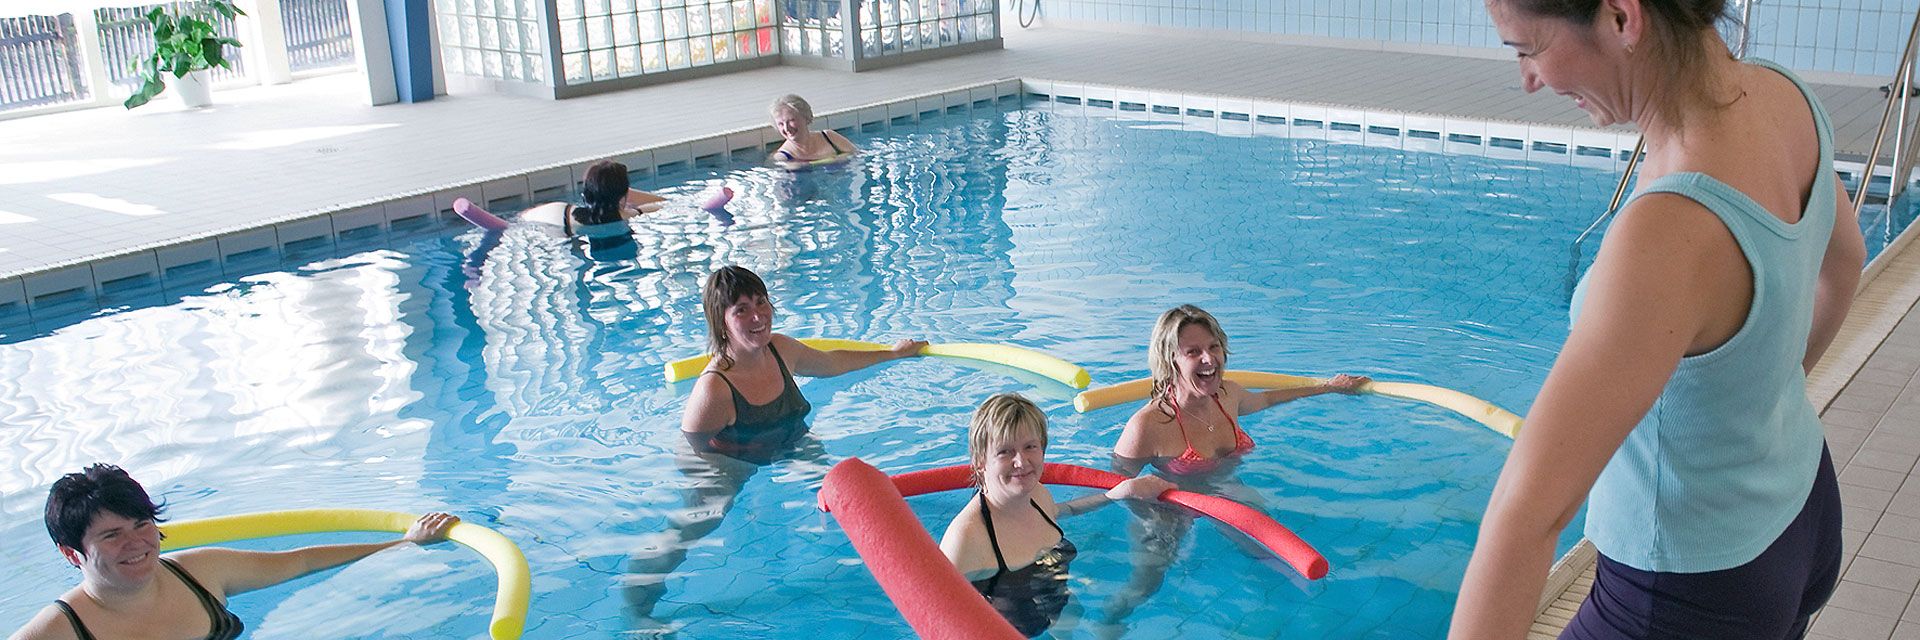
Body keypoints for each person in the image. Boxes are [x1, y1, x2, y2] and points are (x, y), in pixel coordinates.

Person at [1451, 1, 1864, 638]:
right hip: (1800, 513)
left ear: (1621, 17)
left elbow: (1526, 516)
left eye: (1526, 48)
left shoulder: (1667, 232)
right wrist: (1760, 392)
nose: (1528, 78)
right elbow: (1844, 264)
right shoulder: (1784, 96)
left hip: (1687, 591)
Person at [624, 265, 927, 626]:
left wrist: (892, 354)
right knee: (700, 520)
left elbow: (832, 363)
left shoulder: (780, 350)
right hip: (733, 456)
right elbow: (690, 446)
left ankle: (902, 568)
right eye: (741, 310)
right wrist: (710, 484)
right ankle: (637, 606)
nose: (758, 316)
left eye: (761, 302)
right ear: (721, 322)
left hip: (791, 441)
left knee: (844, 493)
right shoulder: (714, 388)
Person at [1100, 304, 1367, 634]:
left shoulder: (1228, 395)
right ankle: (1108, 623)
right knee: (1147, 583)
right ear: (1171, 360)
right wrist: (1139, 503)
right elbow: (1110, 485)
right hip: (1169, 507)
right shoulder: (1147, 425)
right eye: (1193, 352)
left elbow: (1267, 399)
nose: (1209, 359)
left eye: (1214, 347)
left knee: (1269, 554)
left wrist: (1328, 386)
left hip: (1225, 492)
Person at [11, 464, 457, 640]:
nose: (136, 544)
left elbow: (300, 561)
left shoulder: (200, 571)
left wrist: (402, 542)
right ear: (73, 554)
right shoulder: (58, 631)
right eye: (111, 536)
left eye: (142, 524)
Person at [939, 393, 1174, 637]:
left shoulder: (1037, 495)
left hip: (1056, 606)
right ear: (980, 461)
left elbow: (1065, 510)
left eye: (1030, 446)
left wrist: (1118, 494)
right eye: (1005, 452)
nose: (1021, 461)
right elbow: (938, 612)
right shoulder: (966, 538)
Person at [455, 160, 667, 255]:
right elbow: (662, 202)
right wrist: (619, 195)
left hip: (541, 228)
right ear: (623, 194)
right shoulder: (629, 215)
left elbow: (522, 218)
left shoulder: (559, 211)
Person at [769, 94, 857, 170]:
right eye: (780, 124)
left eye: (791, 120)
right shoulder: (782, 158)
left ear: (806, 118)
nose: (786, 128)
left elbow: (858, 155)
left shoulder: (829, 137)